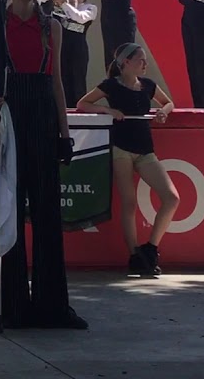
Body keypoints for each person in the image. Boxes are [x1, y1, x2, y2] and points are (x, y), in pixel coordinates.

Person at [0, 0, 87, 330]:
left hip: (42, 110)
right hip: (10, 114)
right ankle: (11, 306)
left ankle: (53, 306)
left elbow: (57, 82)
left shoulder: (51, 27)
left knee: (46, 212)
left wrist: (64, 133)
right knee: (8, 203)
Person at [76, 43, 178, 277]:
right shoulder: (111, 85)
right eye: (140, 60)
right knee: (129, 201)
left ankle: (151, 248)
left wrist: (164, 111)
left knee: (171, 197)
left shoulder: (148, 86)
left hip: (145, 149)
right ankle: (134, 254)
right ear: (126, 63)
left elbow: (168, 102)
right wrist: (108, 111)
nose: (145, 64)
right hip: (120, 147)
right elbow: (83, 103)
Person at [56, 0, 96, 108]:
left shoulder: (90, 8)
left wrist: (64, 5)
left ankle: (79, 106)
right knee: (63, 78)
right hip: (63, 47)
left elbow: (80, 17)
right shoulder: (62, 8)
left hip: (79, 48)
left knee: (78, 79)